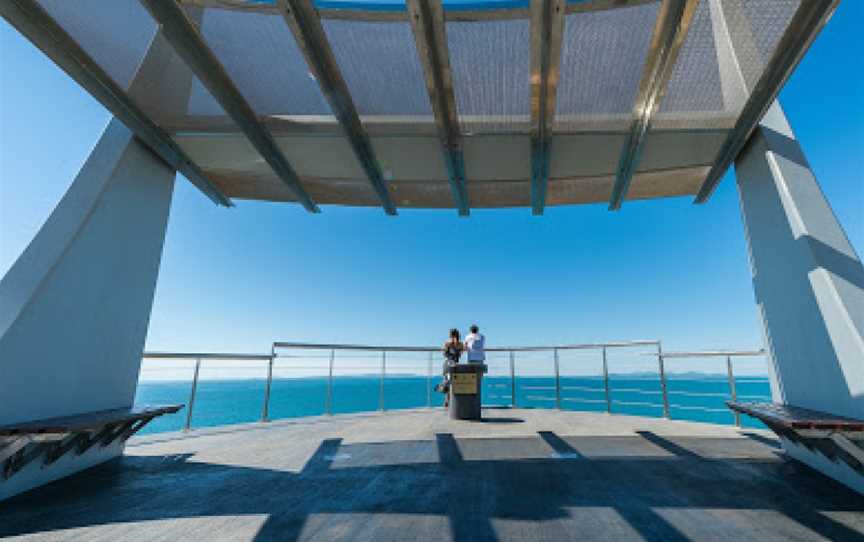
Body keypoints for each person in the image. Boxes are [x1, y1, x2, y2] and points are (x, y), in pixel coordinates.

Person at [440, 328, 463, 407]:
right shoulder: (460, 344)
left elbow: (444, 354)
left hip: (448, 364)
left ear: (450, 335)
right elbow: (460, 354)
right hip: (455, 365)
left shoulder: (448, 343)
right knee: (452, 382)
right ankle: (449, 401)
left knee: (448, 382)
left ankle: (447, 401)